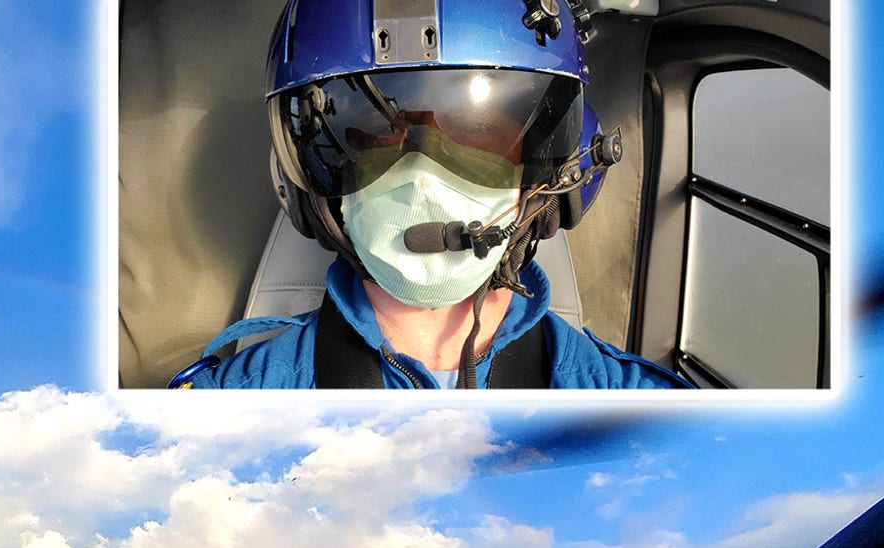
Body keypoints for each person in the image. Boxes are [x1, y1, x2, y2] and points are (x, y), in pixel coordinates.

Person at [170, 0, 688, 389]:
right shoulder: (228, 405)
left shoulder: (636, 408)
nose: (421, 178)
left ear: (553, 172)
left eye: (475, 132)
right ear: (311, 186)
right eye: (381, 137)